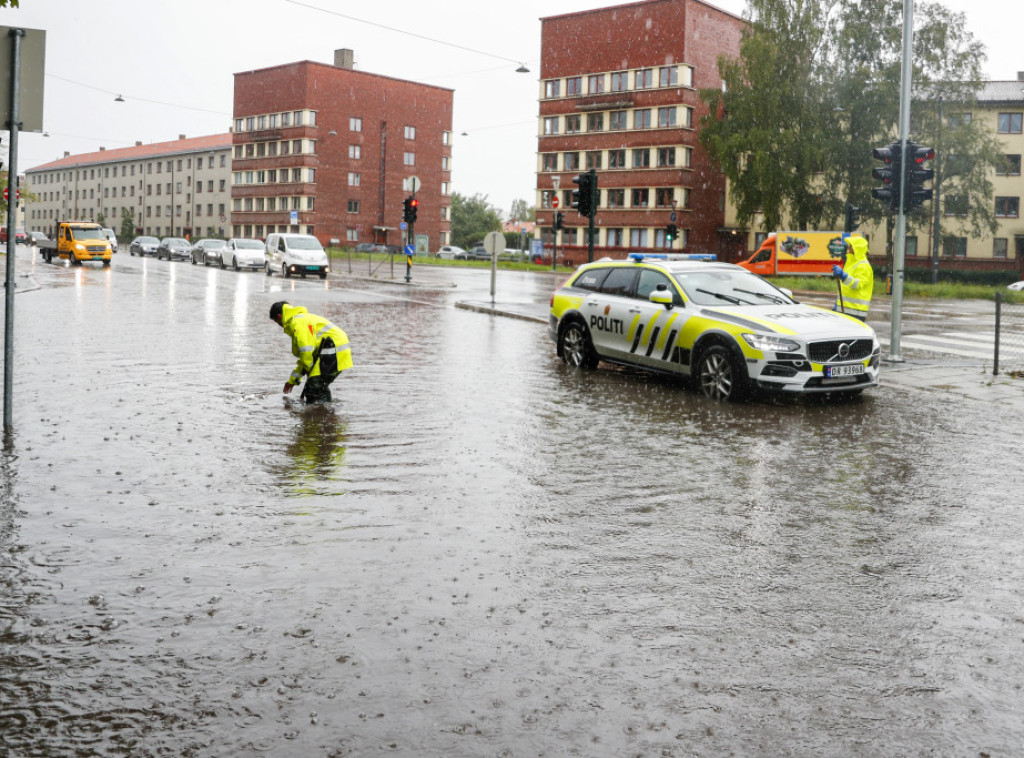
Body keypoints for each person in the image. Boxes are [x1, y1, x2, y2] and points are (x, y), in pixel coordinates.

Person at [269, 301, 353, 403]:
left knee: (314, 387)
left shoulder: (297, 323)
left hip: (333, 348)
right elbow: (304, 358)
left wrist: (309, 370)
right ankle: (326, 411)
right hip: (334, 349)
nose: (279, 325)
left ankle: (320, 413)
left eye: (277, 321)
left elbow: (306, 352)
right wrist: (292, 381)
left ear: (279, 316)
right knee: (318, 385)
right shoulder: (299, 320)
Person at [831, 234, 874, 321]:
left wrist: (843, 276)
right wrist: (838, 303)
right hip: (846, 309)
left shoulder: (863, 266)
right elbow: (846, 287)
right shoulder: (851, 264)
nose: (848, 249)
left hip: (855, 312)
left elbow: (857, 285)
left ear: (856, 249)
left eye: (850, 247)